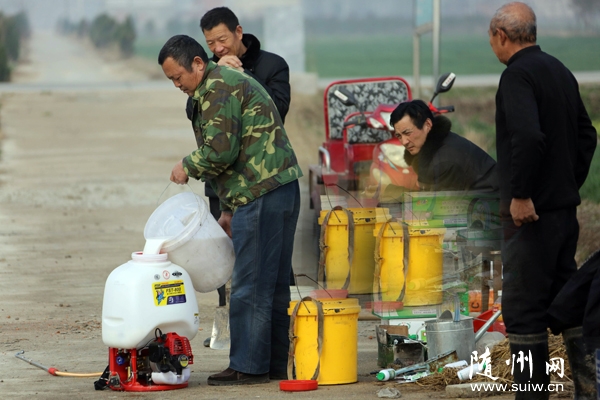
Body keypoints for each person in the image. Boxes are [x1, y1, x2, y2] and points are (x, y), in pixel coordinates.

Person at [158, 35, 302, 385]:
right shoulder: (222, 82)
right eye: (171, 80)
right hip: (278, 188)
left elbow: (220, 151)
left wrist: (186, 165)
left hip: (261, 192)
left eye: (178, 77)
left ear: (197, 63)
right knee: (273, 283)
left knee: (249, 283)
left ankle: (247, 366)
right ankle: (273, 364)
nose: (177, 85)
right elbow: (235, 155)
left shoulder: (217, 87)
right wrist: (226, 209)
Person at [488, 3, 597, 399]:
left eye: (491, 38)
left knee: (523, 313)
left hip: (529, 219)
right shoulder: (559, 70)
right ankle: (589, 390)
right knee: (570, 302)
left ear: (501, 35)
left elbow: (528, 136)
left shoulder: (517, 76)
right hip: (563, 215)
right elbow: (587, 136)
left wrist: (522, 195)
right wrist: (565, 186)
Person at [190, 8, 294, 328]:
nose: (217, 48)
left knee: (269, 268)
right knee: (228, 260)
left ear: (238, 31)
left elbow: (276, 110)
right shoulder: (210, 70)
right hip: (222, 185)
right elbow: (194, 109)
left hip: (261, 181)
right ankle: (232, 329)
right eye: (211, 43)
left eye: (222, 39)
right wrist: (217, 75)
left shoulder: (272, 65)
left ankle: (271, 334)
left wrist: (239, 77)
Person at [389, 99, 498, 193]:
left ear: (427, 125)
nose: (404, 142)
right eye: (399, 136)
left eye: (407, 133)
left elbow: (437, 205)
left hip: (493, 204)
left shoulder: (445, 160)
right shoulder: (433, 148)